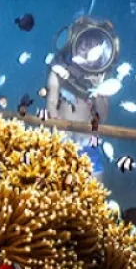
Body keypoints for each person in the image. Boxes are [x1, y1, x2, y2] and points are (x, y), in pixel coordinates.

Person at [46, 33, 110, 182]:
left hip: (89, 141)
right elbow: (51, 103)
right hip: (63, 139)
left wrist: (99, 89)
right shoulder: (59, 71)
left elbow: (103, 116)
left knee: (94, 191)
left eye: (92, 48)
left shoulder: (100, 76)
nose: (87, 53)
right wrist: (57, 127)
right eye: (83, 47)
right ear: (74, 46)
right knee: (59, 186)